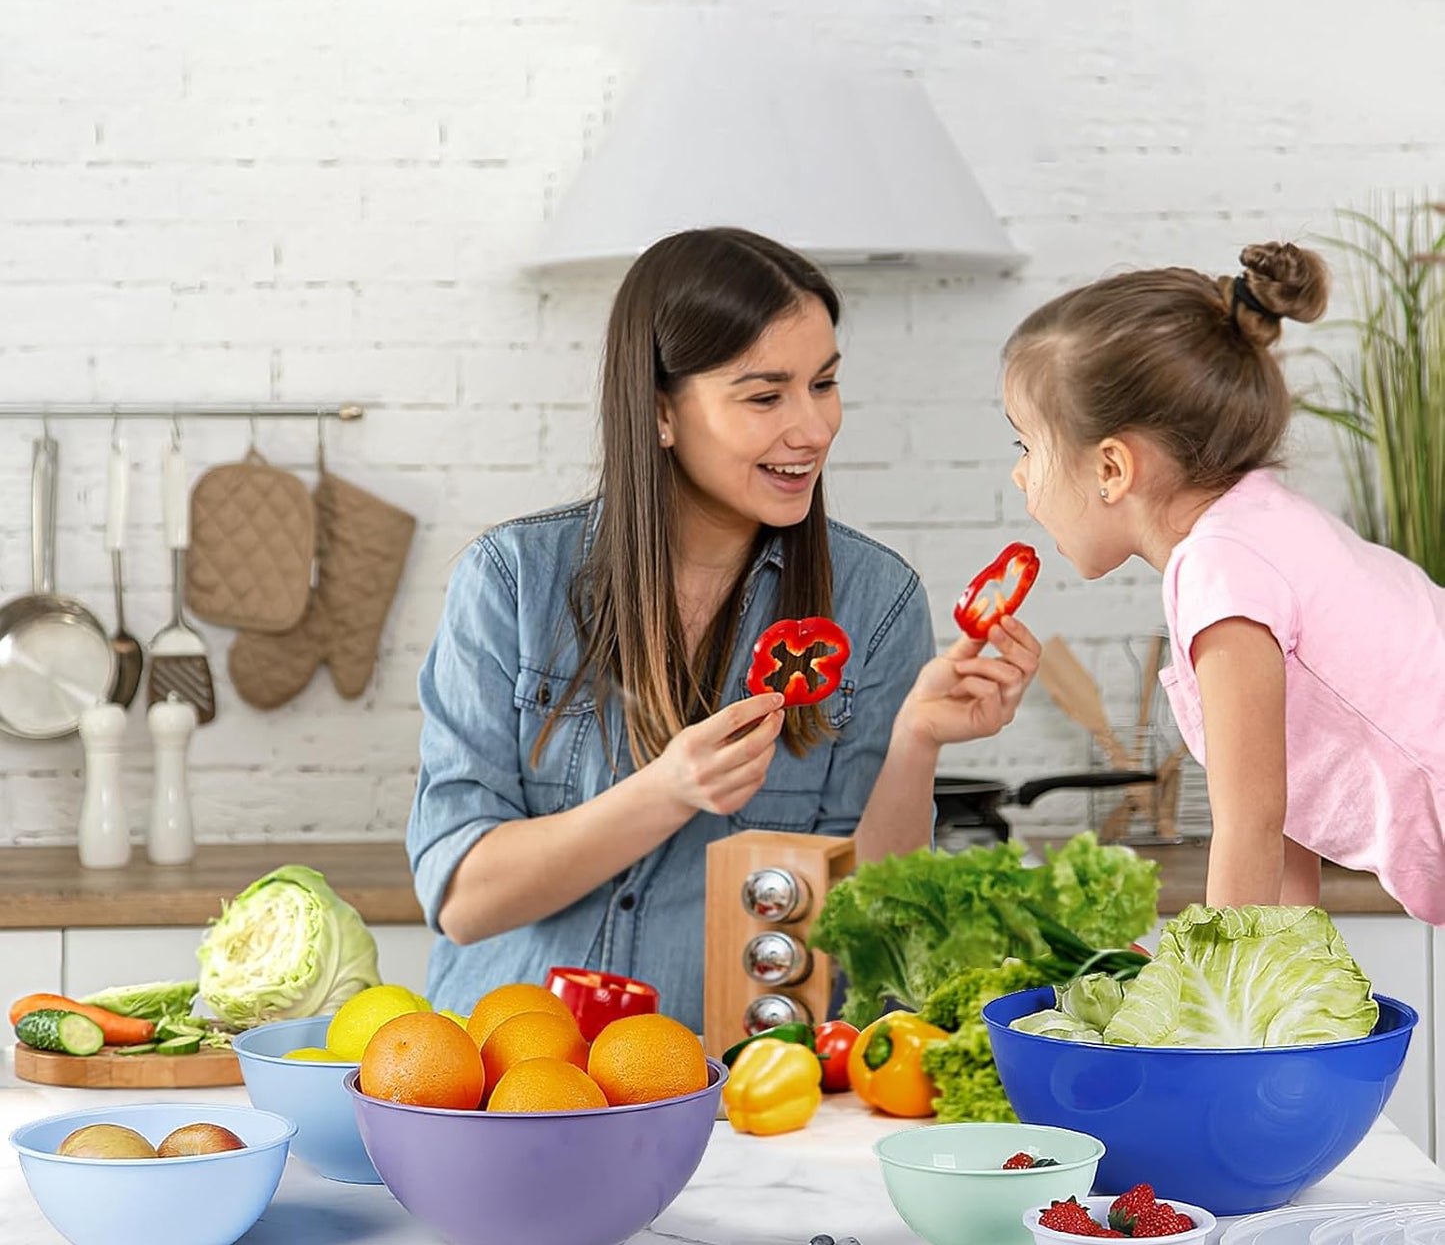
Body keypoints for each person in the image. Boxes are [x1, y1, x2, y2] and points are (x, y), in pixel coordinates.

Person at [408, 227, 1041, 1029]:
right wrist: (668, 790)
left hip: (749, 1091)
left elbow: (869, 917)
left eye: (824, 383)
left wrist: (919, 739)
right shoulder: (512, 580)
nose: (811, 429)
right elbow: (463, 897)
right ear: (661, 412)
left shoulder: (875, 602)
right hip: (519, 1085)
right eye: (764, 395)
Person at [1001, 240, 1445, 923]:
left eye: (1025, 445)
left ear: (1111, 468)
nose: (1020, 474)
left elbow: (1251, 821)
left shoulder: (1219, 571)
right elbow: (1287, 822)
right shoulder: (1262, 523)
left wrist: (1215, 1000)